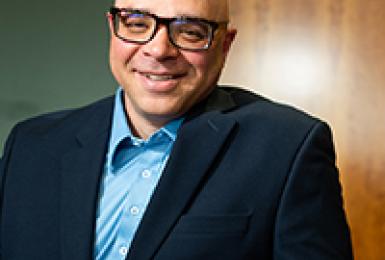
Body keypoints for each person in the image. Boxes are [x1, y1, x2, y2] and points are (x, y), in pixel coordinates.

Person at [0, 0, 353, 259]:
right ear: (112, 28)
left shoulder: (288, 148)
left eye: (189, 31)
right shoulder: (30, 147)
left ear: (224, 45)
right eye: (137, 23)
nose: (158, 49)